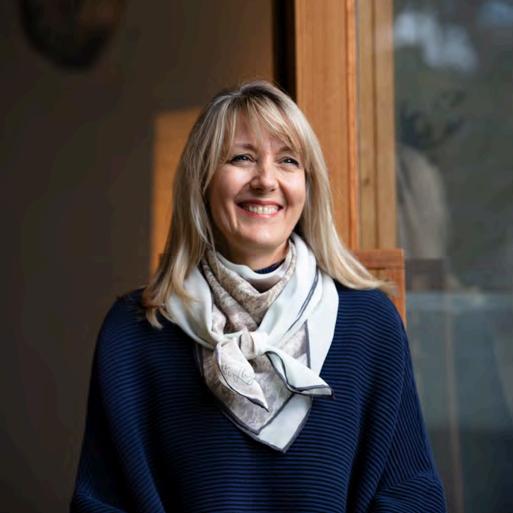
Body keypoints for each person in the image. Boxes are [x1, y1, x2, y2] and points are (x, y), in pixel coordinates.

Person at [70, 81, 448, 512]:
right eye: (241, 158)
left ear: (308, 186)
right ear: (202, 180)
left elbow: (411, 497)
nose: (266, 180)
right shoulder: (135, 331)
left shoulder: (370, 323)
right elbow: (100, 504)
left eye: (288, 160)